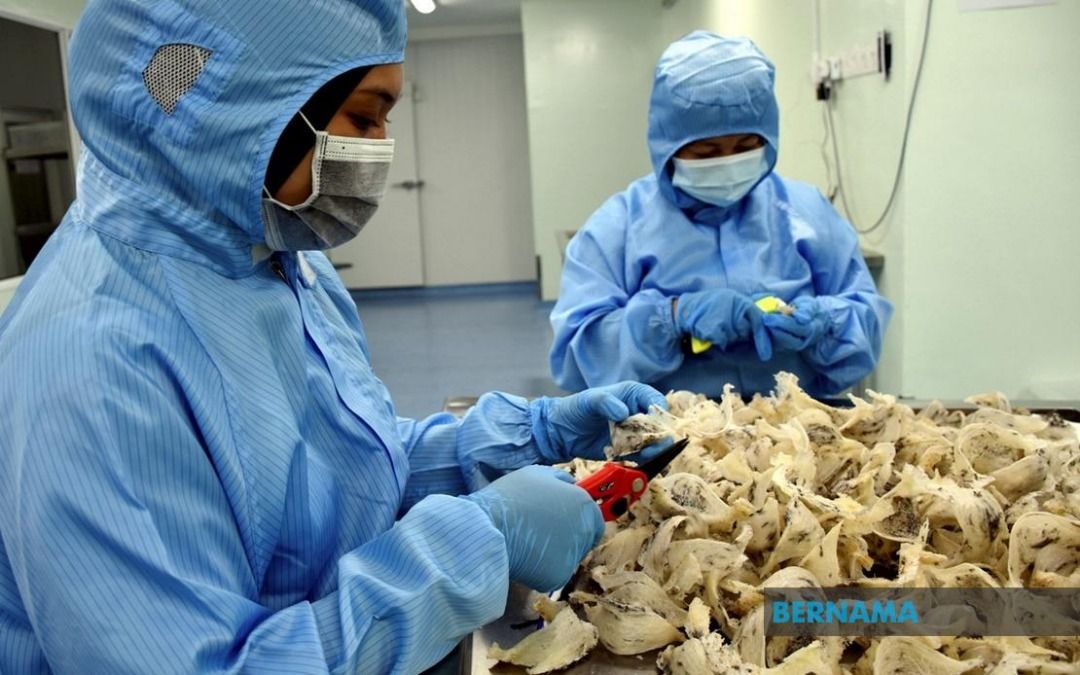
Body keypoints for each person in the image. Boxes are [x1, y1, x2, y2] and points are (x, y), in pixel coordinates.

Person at [0, 1, 670, 673]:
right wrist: (474, 543)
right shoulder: (92, 363)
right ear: (237, 109)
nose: (378, 150)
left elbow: (339, 464)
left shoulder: (280, 260)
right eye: (363, 118)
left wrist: (532, 435)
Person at [549, 31, 893, 398]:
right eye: (706, 152)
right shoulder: (617, 228)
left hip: (794, 424)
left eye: (746, 146)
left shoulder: (806, 212)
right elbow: (577, 357)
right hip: (666, 427)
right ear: (667, 145)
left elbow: (865, 323)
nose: (727, 164)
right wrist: (672, 319)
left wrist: (822, 324)